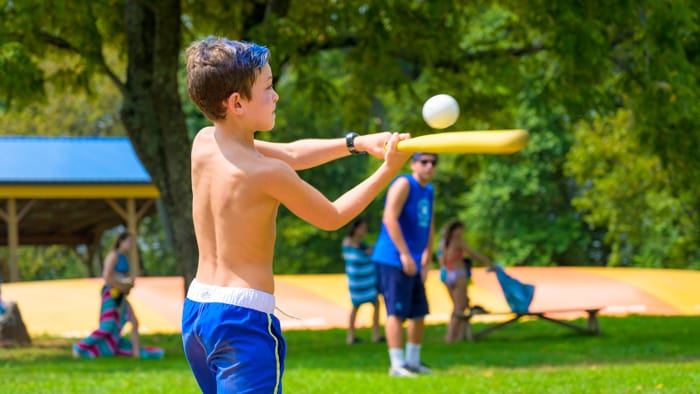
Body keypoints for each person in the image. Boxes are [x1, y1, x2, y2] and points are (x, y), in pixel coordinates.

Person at [181, 36, 411, 393]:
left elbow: (291, 152)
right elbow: (333, 216)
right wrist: (388, 171)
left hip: (197, 312)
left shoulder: (204, 142)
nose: (275, 96)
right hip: (242, 318)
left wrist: (357, 143)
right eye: (268, 88)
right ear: (236, 102)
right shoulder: (265, 174)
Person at [371, 152, 439, 377]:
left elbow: (429, 225)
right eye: (424, 162)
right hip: (393, 258)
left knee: (419, 313)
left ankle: (413, 361)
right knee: (396, 312)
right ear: (413, 163)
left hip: (416, 260)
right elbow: (389, 218)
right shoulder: (403, 183)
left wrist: (427, 255)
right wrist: (405, 254)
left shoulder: (428, 190)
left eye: (433, 162)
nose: (429, 166)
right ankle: (397, 365)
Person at [73, 231, 164, 359]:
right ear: (121, 241)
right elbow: (107, 276)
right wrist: (123, 286)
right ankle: (80, 347)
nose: (132, 244)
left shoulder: (124, 257)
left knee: (134, 321)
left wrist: (129, 284)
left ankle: (136, 353)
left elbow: (124, 276)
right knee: (108, 325)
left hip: (121, 295)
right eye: (129, 241)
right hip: (111, 294)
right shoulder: (113, 255)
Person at [437, 219, 493, 343]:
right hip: (458, 274)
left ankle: (458, 336)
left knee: (458, 306)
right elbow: (474, 254)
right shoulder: (458, 242)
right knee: (459, 307)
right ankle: (450, 337)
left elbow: (440, 259)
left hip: (446, 274)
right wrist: (489, 263)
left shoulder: (442, 243)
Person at [342, 217, 382, 345]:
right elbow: (354, 257)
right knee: (356, 306)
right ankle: (351, 335)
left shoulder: (361, 243)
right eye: (362, 228)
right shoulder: (349, 242)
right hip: (357, 281)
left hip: (366, 281)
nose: (364, 231)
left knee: (375, 304)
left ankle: (376, 334)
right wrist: (367, 253)